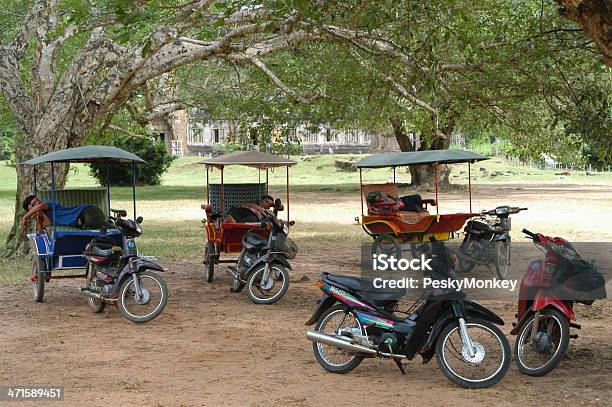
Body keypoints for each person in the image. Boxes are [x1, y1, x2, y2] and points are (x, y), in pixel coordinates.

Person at [21, 194, 106, 231]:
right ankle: (108, 225)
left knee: (92, 221)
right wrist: (38, 213)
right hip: (81, 222)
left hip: (86, 211)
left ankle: (116, 228)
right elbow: (48, 224)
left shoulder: (48, 203)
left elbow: (41, 206)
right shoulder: (42, 216)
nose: (37, 203)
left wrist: (25, 217)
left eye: (37, 200)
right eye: (33, 204)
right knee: (88, 230)